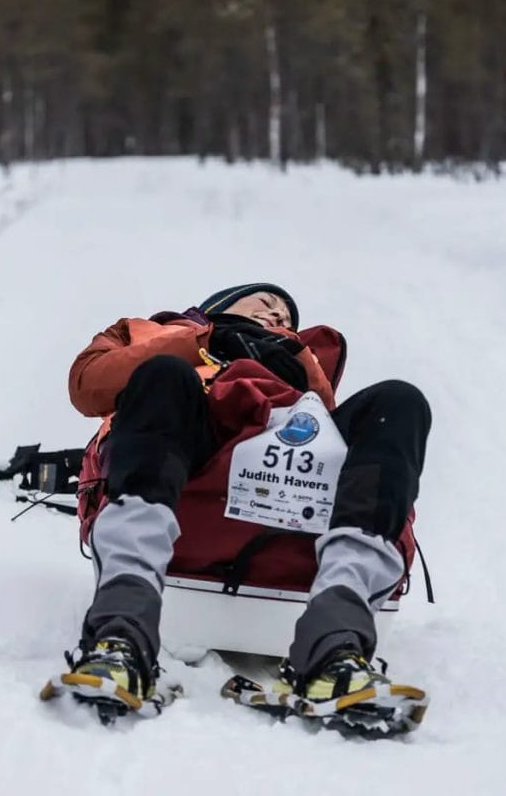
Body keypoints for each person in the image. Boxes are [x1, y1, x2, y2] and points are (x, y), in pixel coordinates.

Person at [61, 282, 431, 731]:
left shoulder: (299, 360)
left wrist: (288, 367)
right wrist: (197, 342)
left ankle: (338, 640)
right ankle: (121, 634)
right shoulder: (146, 332)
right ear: (218, 306)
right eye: (266, 303)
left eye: (287, 316)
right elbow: (88, 385)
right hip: (188, 449)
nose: (279, 316)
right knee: (163, 376)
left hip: (290, 486)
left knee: (398, 402)